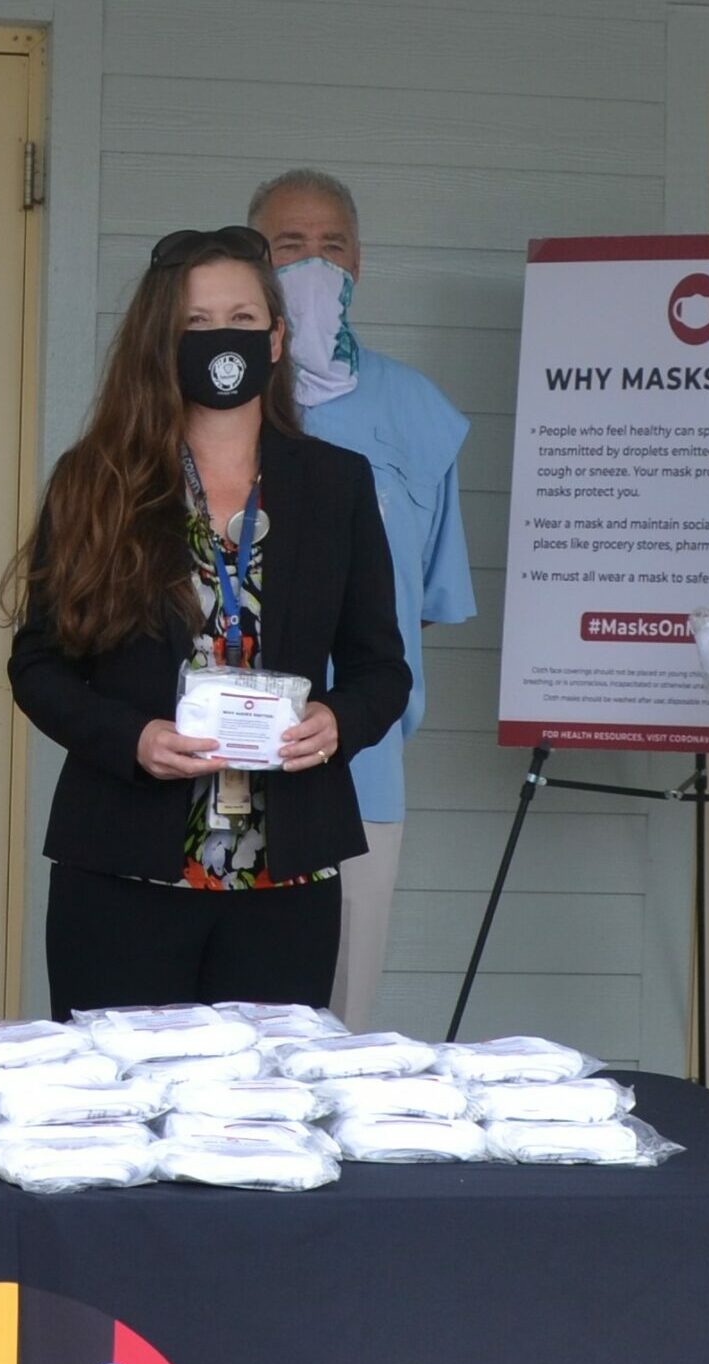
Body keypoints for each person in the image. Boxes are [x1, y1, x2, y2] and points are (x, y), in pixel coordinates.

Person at [6, 226, 408, 1018]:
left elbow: (381, 669)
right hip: (120, 875)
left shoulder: (336, 485)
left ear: (277, 338)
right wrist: (131, 739)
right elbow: (38, 665)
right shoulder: (98, 480)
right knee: (114, 1119)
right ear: (161, 340)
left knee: (258, 1124)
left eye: (242, 319)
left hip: (286, 883)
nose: (221, 339)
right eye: (195, 324)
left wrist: (336, 720)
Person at [249, 169, 476, 1032]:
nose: (314, 264)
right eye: (287, 246)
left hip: (361, 766)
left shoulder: (417, 412)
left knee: (333, 1019)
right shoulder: (216, 404)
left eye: (332, 244)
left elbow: (415, 602)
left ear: (361, 261)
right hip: (216, 755)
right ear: (250, 263)